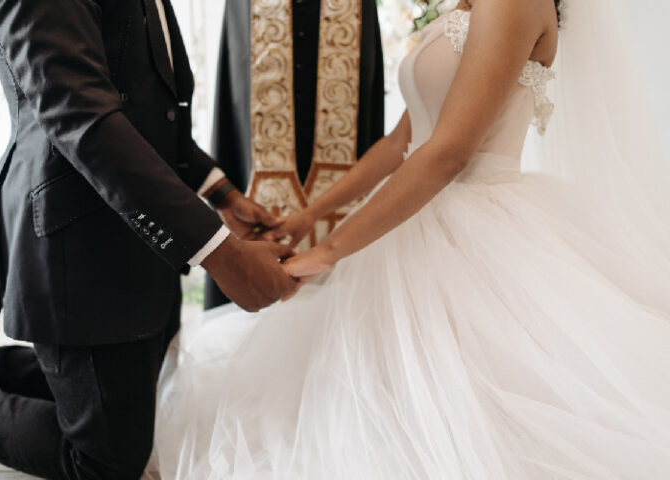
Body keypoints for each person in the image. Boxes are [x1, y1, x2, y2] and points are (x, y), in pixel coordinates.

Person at [153, 0, 670, 477]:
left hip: (477, 238)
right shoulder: (465, 5)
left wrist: (328, 253)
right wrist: (312, 216)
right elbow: (403, 140)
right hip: (415, 221)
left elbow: (449, 152)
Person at [0, 0, 296, 478]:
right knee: (105, 462)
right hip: (79, 243)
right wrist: (222, 253)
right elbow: (81, 115)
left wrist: (220, 191)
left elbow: (149, 109)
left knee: (126, 393)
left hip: (137, 230)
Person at [204, 0, 386, 309]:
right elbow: (231, 99)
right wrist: (221, 192)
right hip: (258, 191)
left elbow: (370, 102)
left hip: (345, 191)